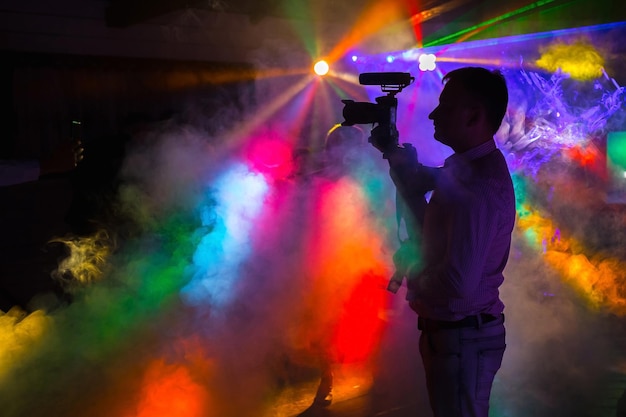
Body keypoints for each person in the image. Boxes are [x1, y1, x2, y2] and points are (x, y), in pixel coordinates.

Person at [381, 67, 515, 417]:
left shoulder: (479, 185)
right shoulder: (466, 170)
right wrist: (401, 169)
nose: (433, 113)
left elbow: (458, 284)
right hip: (457, 339)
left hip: (461, 338)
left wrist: (416, 275)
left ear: (474, 115)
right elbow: (431, 229)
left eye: (446, 106)